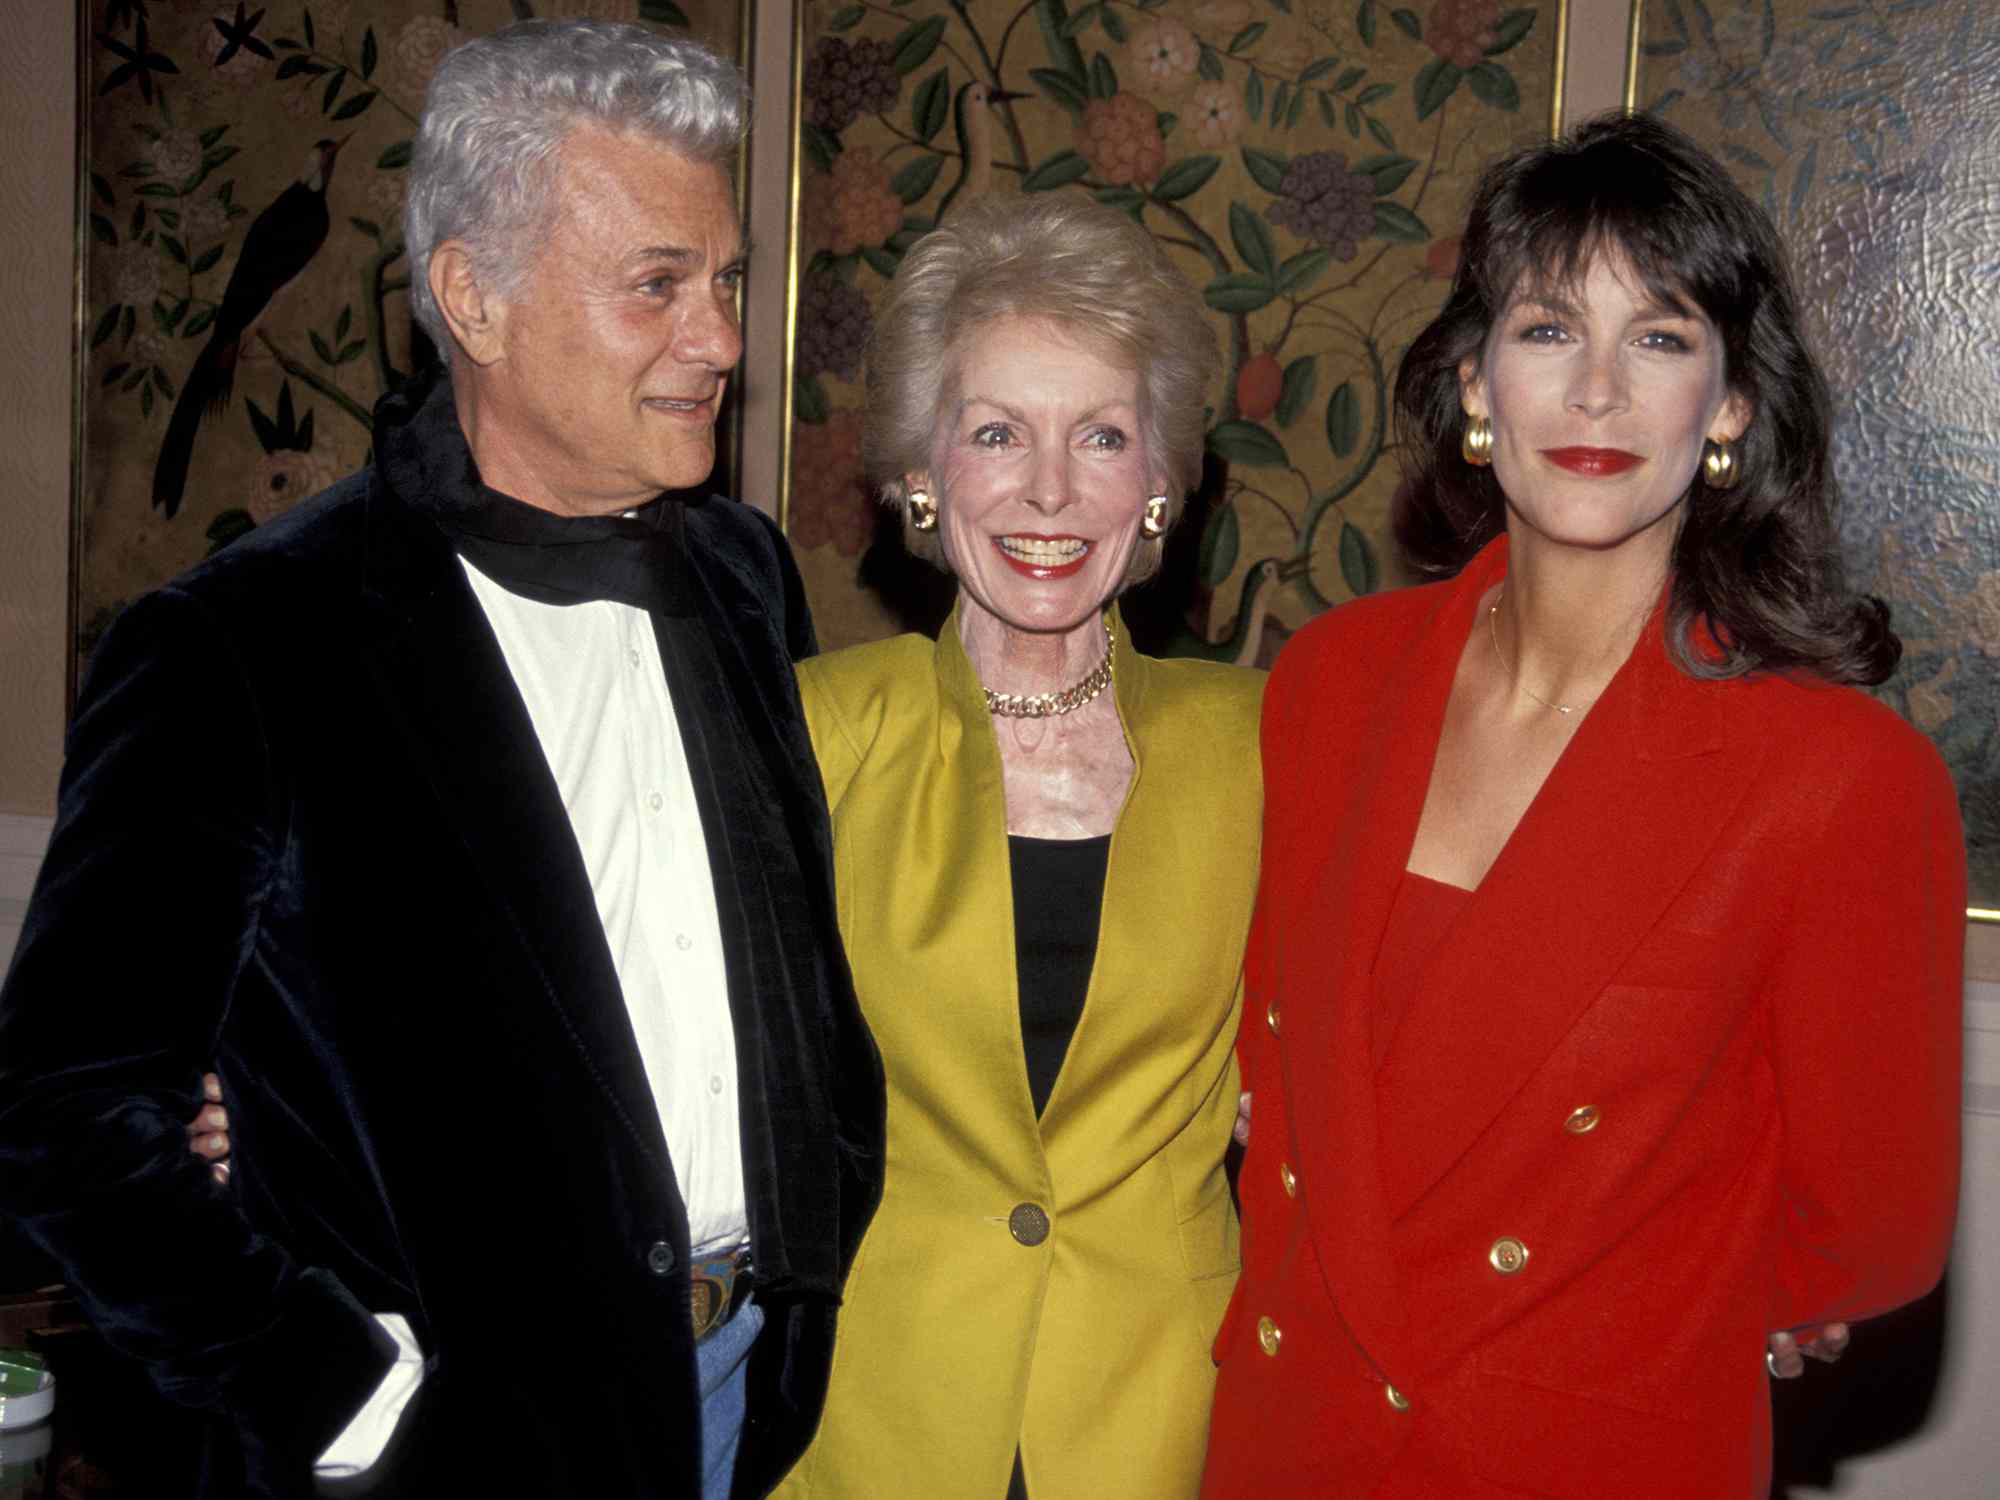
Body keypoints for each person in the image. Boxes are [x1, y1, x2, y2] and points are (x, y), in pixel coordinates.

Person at [0, 20, 881, 1499]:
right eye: (658, 285)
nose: (723, 337)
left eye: (725, 280)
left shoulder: (741, 574)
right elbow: (60, 1111)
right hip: (440, 1444)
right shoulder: (246, 642)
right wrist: (325, 1388)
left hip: (749, 1397)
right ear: (474, 296)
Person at [1200, 112, 1964, 1499]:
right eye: (1551, 330)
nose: (1599, 394)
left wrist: (1656, 1300)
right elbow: (1283, 1089)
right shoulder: (1326, 686)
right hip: (1289, 1435)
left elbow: (1867, 1236)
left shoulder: (1839, 777)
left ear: (1729, 404)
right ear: (1476, 382)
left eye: (1661, 338)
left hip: (1587, 1447)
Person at [769, 194, 1263, 1499]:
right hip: (872, 1419)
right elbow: (614, 1001)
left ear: (1157, 483)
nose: (1049, 489)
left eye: (1099, 435)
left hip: (1163, 1421)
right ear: (923, 474)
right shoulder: (813, 733)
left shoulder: (1266, 747)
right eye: (998, 432)